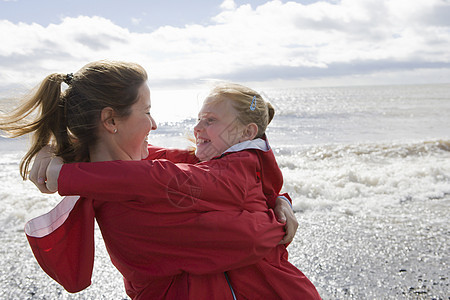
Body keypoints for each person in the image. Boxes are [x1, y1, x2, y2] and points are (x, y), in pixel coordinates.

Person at [0, 61, 307, 299]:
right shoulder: (127, 210)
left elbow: (219, 166)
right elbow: (248, 239)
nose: (156, 124)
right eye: (146, 111)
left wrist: (279, 199)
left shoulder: (135, 167)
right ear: (110, 121)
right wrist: (276, 220)